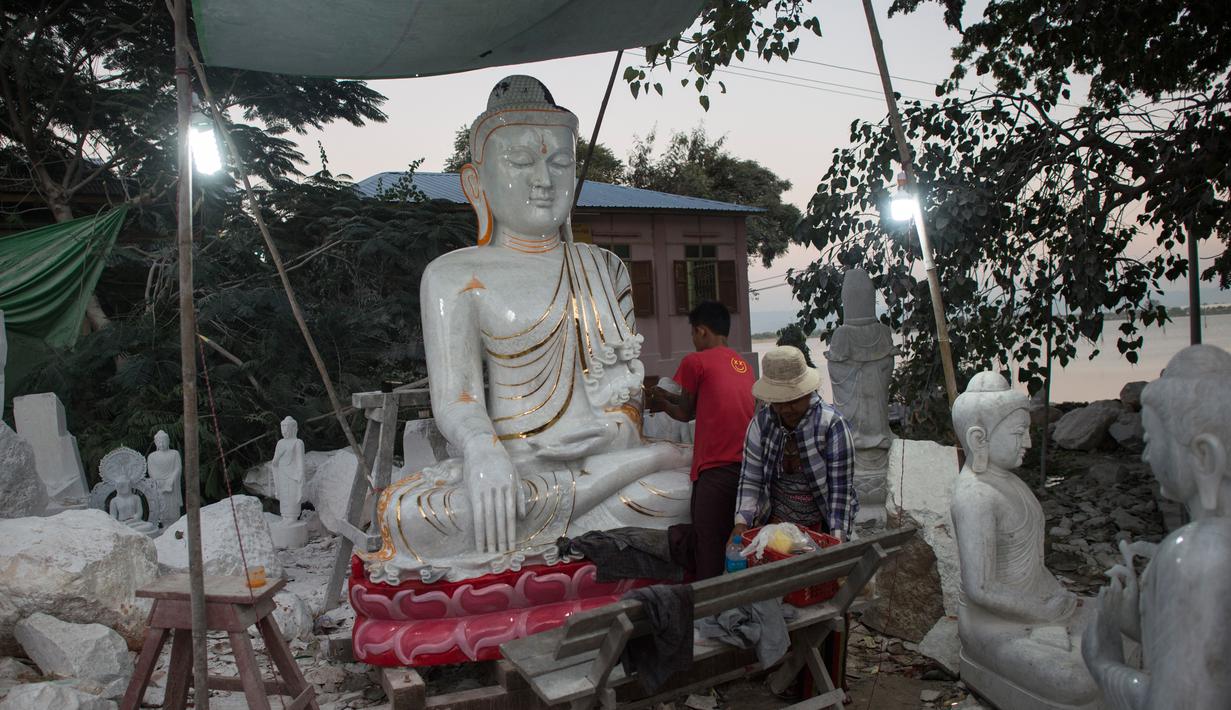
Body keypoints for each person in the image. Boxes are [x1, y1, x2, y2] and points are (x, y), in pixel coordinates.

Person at [648, 300, 756, 578]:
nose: (694, 341)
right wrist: (669, 400)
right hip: (747, 471)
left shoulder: (695, 361)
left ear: (702, 331)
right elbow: (700, 405)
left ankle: (709, 611)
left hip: (715, 469)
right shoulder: (742, 364)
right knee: (735, 544)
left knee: (708, 546)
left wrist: (660, 402)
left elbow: (684, 413)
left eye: (693, 335)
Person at [731, 345, 857, 544]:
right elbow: (750, 479)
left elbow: (840, 492)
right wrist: (741, 524)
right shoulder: (761, 424)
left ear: (808, 392)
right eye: (779, 402)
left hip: (821, 526)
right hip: (774, 524)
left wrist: (837, 541)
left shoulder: (832, 425)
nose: (786, 409)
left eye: (793, 400)